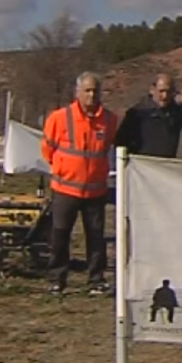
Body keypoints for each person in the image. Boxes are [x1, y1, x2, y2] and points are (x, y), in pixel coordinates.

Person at [42, 71, 118, 296]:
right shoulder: (59, 118)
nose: (91, 95)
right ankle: (57, 278)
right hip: (65, 189)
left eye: (95, 90)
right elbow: (47, 149)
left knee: (96, 237)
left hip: (95, 191)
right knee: (60, 234)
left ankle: (96, 279)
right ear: (77, 92)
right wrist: (64, 169)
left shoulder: (110, 120)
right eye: (87, 90)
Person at [116, 74, 182, 158]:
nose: (165, 96)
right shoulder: (137, 115)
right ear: (152, 90)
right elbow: (121, 143)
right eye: (161, 91)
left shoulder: (179, 113)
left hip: (170, 167)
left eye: (169, 92)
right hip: (143, 167)